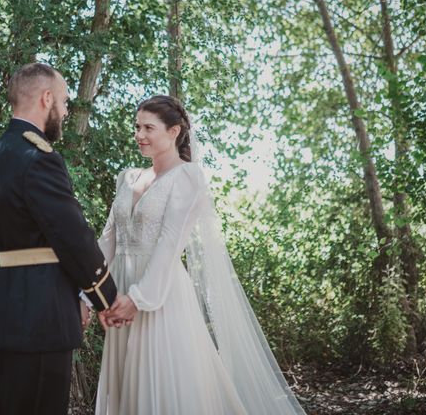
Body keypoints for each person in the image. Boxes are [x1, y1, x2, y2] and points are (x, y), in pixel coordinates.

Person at [95, 95, 305, 414]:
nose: (139, 134)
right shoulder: (127, 177)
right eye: (137, 126)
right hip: (118, 289)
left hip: (159, 295)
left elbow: (169, 244)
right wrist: (92, 294)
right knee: (126, 391)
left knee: (161, 385)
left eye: (148, 127)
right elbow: (107, 240)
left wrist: (137, 299)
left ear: (174, 131)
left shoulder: (187, 178)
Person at [0, 62, 118, 415]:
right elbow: (72, 237)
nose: (66, 111)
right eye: (65, 102)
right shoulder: (38, 158)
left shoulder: (0, 153)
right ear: (47, 98)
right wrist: (105, 297)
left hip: (10, 308)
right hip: (40, 316)